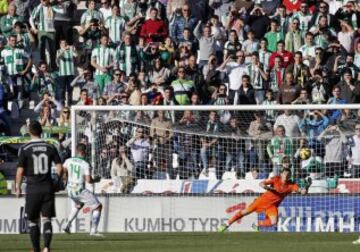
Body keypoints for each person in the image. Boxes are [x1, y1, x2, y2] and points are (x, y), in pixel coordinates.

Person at [15, 120, 63, 252]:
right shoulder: (50, 146)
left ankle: (36, 249)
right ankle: (46, 248)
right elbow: (60, 168)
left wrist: (17, 187)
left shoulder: (24, 149)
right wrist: (56, 182)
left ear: (30, 132)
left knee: (33, 221)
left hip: (33, 187)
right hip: (47, 186)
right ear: (41, 131)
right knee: (46, 218)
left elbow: (20, 171)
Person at [218, 168, 309, 232]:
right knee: (245, 212)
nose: (286, 175)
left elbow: (302, 192)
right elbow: (261, 183)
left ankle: (257, 225)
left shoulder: (291, 185)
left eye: (288, 174)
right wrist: (266, 187)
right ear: (281, 174)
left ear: (290, 176)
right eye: (284, 173)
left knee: (273, 222)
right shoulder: (275, 179)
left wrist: (306, 187)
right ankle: (226, 224)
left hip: (272, 206)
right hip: (262, 201)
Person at [63, 143, 102, 236]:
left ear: (76, 150)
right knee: (98, 207)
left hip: (69, 189)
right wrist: (96, 180)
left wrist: (66, 178)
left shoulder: (68, 160)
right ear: (85, 151)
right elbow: (89, 180)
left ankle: (66, 225)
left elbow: (63, 171)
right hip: (79, 189)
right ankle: (93, 230)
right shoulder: (85, 163)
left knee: (78, 205)